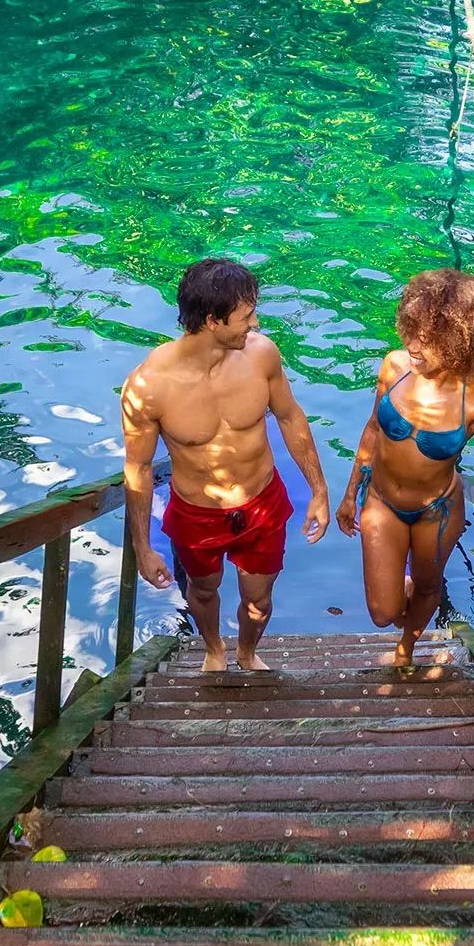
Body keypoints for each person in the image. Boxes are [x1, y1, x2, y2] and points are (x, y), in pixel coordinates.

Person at [334, 268, 474, 669]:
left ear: (460, 343)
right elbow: (372, 429)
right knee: (382, 611)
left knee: (427, 586)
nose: (413, 345)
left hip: (436, 510)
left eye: (429, 338)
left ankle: (406, 651)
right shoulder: (394, 366)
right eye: (411, 330)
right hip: (382, 502)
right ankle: (399, 611)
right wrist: (350, 493)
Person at [120, 258, 332, 673]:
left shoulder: (261, 356)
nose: (254, 324)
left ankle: (247, 653)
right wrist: (143, 548)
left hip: (261, 503)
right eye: (246, 315)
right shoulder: (147, 386)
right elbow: (139, 468)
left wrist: (320, 490)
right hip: (197, 514)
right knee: (202, 590)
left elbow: (291, 417)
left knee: (260, 598)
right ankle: (214, 649)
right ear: (213, 321)